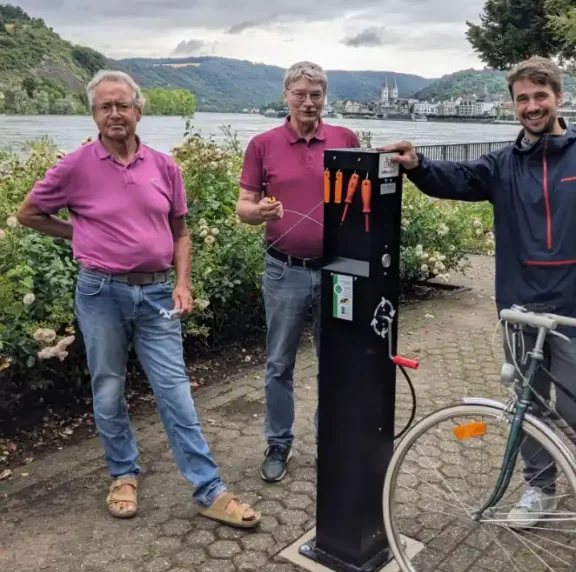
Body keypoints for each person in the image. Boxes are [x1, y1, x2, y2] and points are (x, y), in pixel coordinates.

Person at [380, 55, 576, 526]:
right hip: (520, 308)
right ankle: (539, 489)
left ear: (559, 98)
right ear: (513, 105)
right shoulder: (503, 164)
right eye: (522, 99)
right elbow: (457, 179)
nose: (531, 106)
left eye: (539, 96)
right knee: (528, 407)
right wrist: (417, 164)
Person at [16, 70, 261, 528]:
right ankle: (123, 474)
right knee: (108, 389)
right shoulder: (75, 166)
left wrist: (183, 283)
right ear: (94, 114)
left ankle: (209, 489)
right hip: (100, 292)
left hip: (156, 293)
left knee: (175, 391)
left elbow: (181, 234)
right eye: (104, 106)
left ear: (138, 110)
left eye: (122, 105)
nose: (114, 114)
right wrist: (79, 232)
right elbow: (28, 213)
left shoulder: (164, 166)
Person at [236, 61, 360, 482]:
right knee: (279, 363)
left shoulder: (345, 139)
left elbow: (361, 199)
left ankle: (332, 439)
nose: (308, 102)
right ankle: (279, 441)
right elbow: (244, 207)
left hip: (336, 270)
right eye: (300, 93)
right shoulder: (262, 144)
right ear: (285, 95)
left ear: (325, 97)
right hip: (283, 270)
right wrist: (259, 211)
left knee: (336, 361)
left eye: (316, 94)